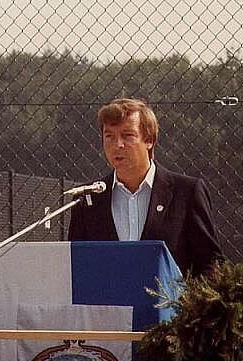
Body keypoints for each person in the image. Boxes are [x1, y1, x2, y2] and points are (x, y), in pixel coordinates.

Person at [68, 98, 222, 277]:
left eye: (128, 135)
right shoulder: (88, 199)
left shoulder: (187, 192)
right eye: (109, 136)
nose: (118, 145)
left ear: (149, 140)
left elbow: (211, 263)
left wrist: (187, 294)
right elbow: (75, 266)